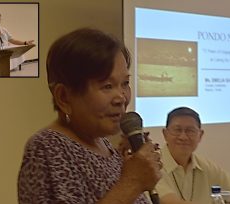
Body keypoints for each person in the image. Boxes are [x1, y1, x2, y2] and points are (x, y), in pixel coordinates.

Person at [17, 28, 162, 204]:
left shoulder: (104, 145)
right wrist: (132, 183)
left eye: (125, 83)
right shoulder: (46, 148)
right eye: (107, 86)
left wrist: (133, 167)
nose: (121, 98)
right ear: (64, 97)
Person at [157, 107, 230, 204]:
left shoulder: (206, 166)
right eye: (177, 130)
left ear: (200, 135)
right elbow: (169, 202)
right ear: (165, 134)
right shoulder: (153, 165)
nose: (183, 137)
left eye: (190, 131)